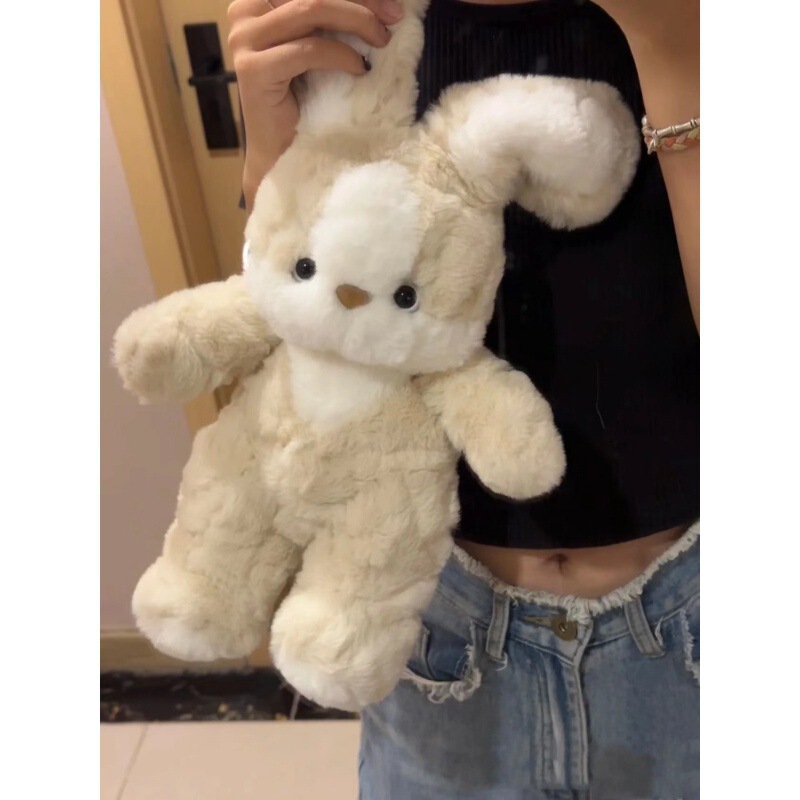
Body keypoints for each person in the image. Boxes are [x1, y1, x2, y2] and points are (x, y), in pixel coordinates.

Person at [227, 0, 700, 796]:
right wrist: (272, 152)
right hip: (431, 617)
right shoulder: (345, 24)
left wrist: (683, 52)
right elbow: (302, 349)